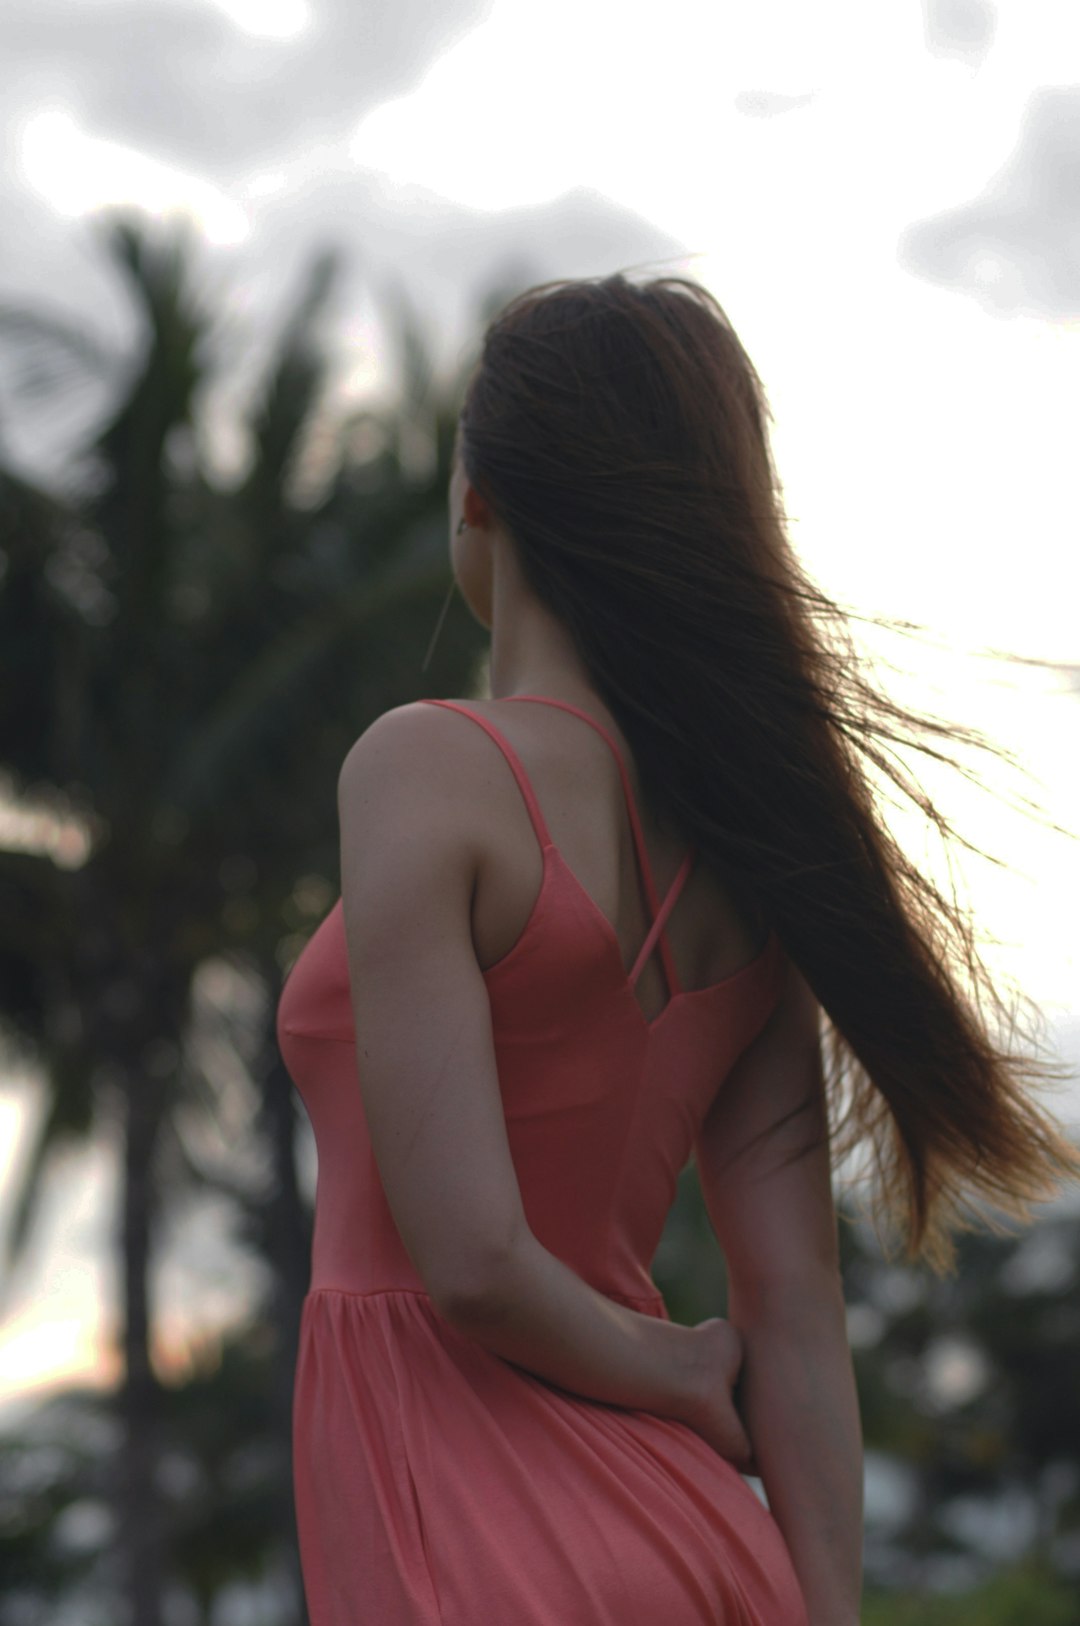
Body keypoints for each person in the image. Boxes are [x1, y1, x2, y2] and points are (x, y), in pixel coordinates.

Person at [276, 272, 1080, 1625]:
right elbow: (798, 1314)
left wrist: (676, 1373)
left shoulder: (429, 766)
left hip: (474, 1532)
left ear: (478, 492)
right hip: (707, 1550)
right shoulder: (760, 866)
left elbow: (469, 1262)